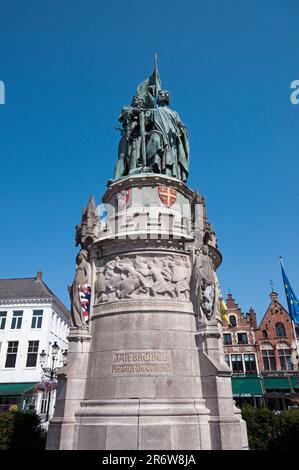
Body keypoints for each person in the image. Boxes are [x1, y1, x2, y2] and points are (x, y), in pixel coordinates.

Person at [145, 90, 189, 181]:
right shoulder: (153, 111)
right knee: (155, 140)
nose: (159, 97)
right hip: (158, 135)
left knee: (171, 157)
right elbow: (144, 124)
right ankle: (154, 166)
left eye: (161, 95)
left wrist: (181, 130)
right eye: (159, 95)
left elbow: (182, 127)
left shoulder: (174, 113)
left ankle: (169, 173)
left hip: (171, 140)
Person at [69, 250, 92, 328]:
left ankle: (83, 321)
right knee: (74, 302)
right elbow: (76, 276)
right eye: (78, 255)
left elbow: (88, 274)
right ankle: (77, 321)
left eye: (80, 255)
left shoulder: (86, 264)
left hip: (81, 284)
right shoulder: (79, 265)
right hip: (75, 285)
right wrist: (71, 286)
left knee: (78, 302)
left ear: (83, 255)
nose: (78, 256)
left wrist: (84, 283)